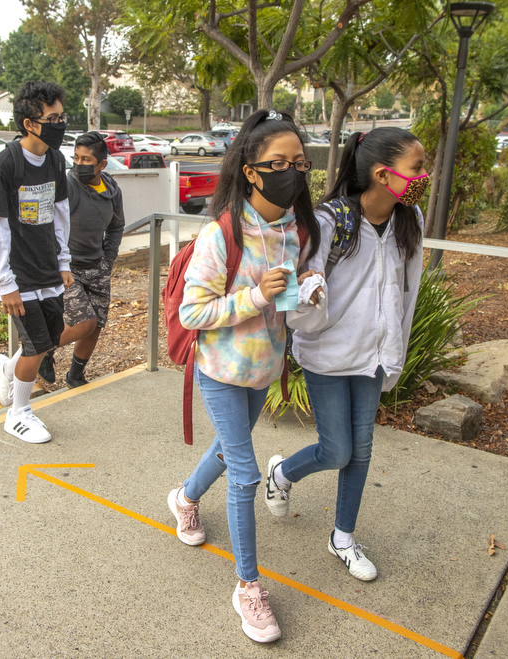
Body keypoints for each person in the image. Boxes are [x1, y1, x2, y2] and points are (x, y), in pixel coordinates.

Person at [166, 109, 320, 644]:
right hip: (219, 369)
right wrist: (257, 295)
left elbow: (289, 305)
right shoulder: (220, 233)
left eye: (300, 163)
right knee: (246, 473)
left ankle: (185, 498)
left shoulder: (293, 230)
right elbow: (193, 314)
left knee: (231, 451)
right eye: (278, 163)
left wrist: (306, 290)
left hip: (263, 368)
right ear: (251, 170)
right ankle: (248, 586)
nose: (292, 172)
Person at [265, 127, 427, 581]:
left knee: (361, 451)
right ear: (382, 174)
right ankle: (282, 473)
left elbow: (406, 294)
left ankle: (343, 538)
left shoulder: (408, 218)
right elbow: (290, 289)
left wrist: (397, 348)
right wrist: (307, 294)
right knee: (336, 450)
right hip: (329, 354)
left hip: (375, 356)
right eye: (416, 168)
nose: (423, 176)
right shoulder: (329, 220)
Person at [0, 80, 73, 444]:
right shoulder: (6, 164)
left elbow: (60, 212)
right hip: (18, 275)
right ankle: (17, 413)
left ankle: (9, 367)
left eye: (62, 116)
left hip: (48, 269)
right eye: (53, 117)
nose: (60, 123)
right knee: (37, 344)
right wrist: (4, 281)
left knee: (49, 339)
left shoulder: (55, 159)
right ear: (30, 123)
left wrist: (64, 261)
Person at [38, 131, 124, 389]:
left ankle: (75, 375)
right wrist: (57, 262)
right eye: (76, 157)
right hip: (68, 268)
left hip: (97, 266)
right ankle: (42, 349)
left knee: (95, 325)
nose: (79, 164)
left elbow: (116, 227)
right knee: (83, 323)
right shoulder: (68, 186)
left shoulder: (111, 188)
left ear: (101, 165)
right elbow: (48, 226)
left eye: (86, 159)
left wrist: (108, 260)